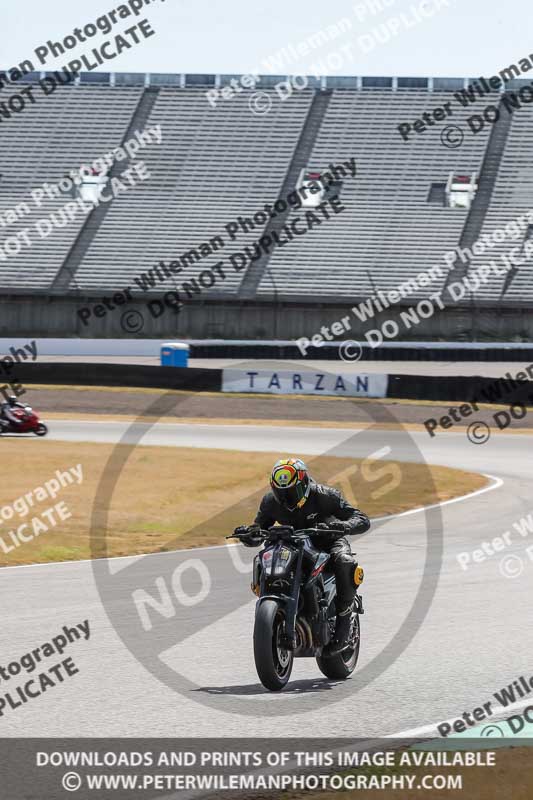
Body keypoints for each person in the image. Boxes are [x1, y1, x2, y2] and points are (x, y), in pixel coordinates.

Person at [236, 457, 370, 654]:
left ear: (304, 483)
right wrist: (249, 534)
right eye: (281, 492)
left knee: (344, 561)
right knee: (264, 556)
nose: (286, 497)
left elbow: (361, 519)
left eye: (291, 491)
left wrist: (342, 526)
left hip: (327, 541)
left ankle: (344, 618)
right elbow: (259, 529)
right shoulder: (270, 502)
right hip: (291, 544)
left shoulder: (326, 496)